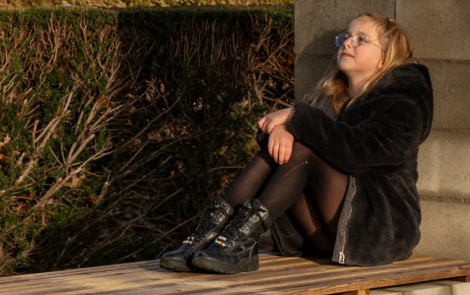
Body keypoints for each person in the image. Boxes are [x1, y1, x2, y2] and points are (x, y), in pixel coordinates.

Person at [159, 14, 433, 275]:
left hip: (376, 228)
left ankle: (236, 242)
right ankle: (211, 234)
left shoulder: (404, 97)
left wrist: (296, 120)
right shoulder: (332, 96)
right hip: (323, 231)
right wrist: (288, 130)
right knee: (284, 151)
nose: (348, 42)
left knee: (301, 150)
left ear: (384, 58)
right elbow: (317, 139)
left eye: (362, 39)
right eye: (346, 36)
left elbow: (368, 152)